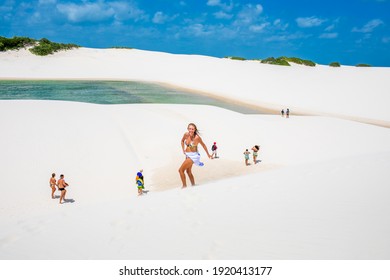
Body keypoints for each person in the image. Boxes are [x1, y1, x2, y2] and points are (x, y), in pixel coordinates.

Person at [179, 123, 212, 188]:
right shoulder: (186, 134)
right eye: (190, 129)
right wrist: (183, 149)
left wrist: (208, 154)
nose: (191, 130)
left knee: (180, 170)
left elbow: (204, 145)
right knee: (188, 171)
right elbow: (182, 141)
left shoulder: (197, 138)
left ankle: (184, 186)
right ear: (188, 129)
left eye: (192, 129)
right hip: (187, 155)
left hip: (194, 156)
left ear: (194, 130)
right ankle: (193, 186)